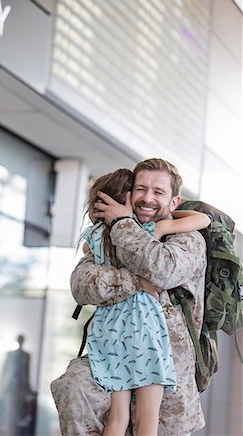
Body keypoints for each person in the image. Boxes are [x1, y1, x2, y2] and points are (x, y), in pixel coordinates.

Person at [51, 158, 208, 436]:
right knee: (72, 386)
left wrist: (123, 223)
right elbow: (83, 285)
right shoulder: (108, 236)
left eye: (158, 192)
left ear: (174, 202)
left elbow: (162, 269)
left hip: (163, 369)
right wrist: (135, 280)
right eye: (141, 189)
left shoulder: (187, 240)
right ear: (127, 194)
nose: (148, 198)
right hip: (116, 354)